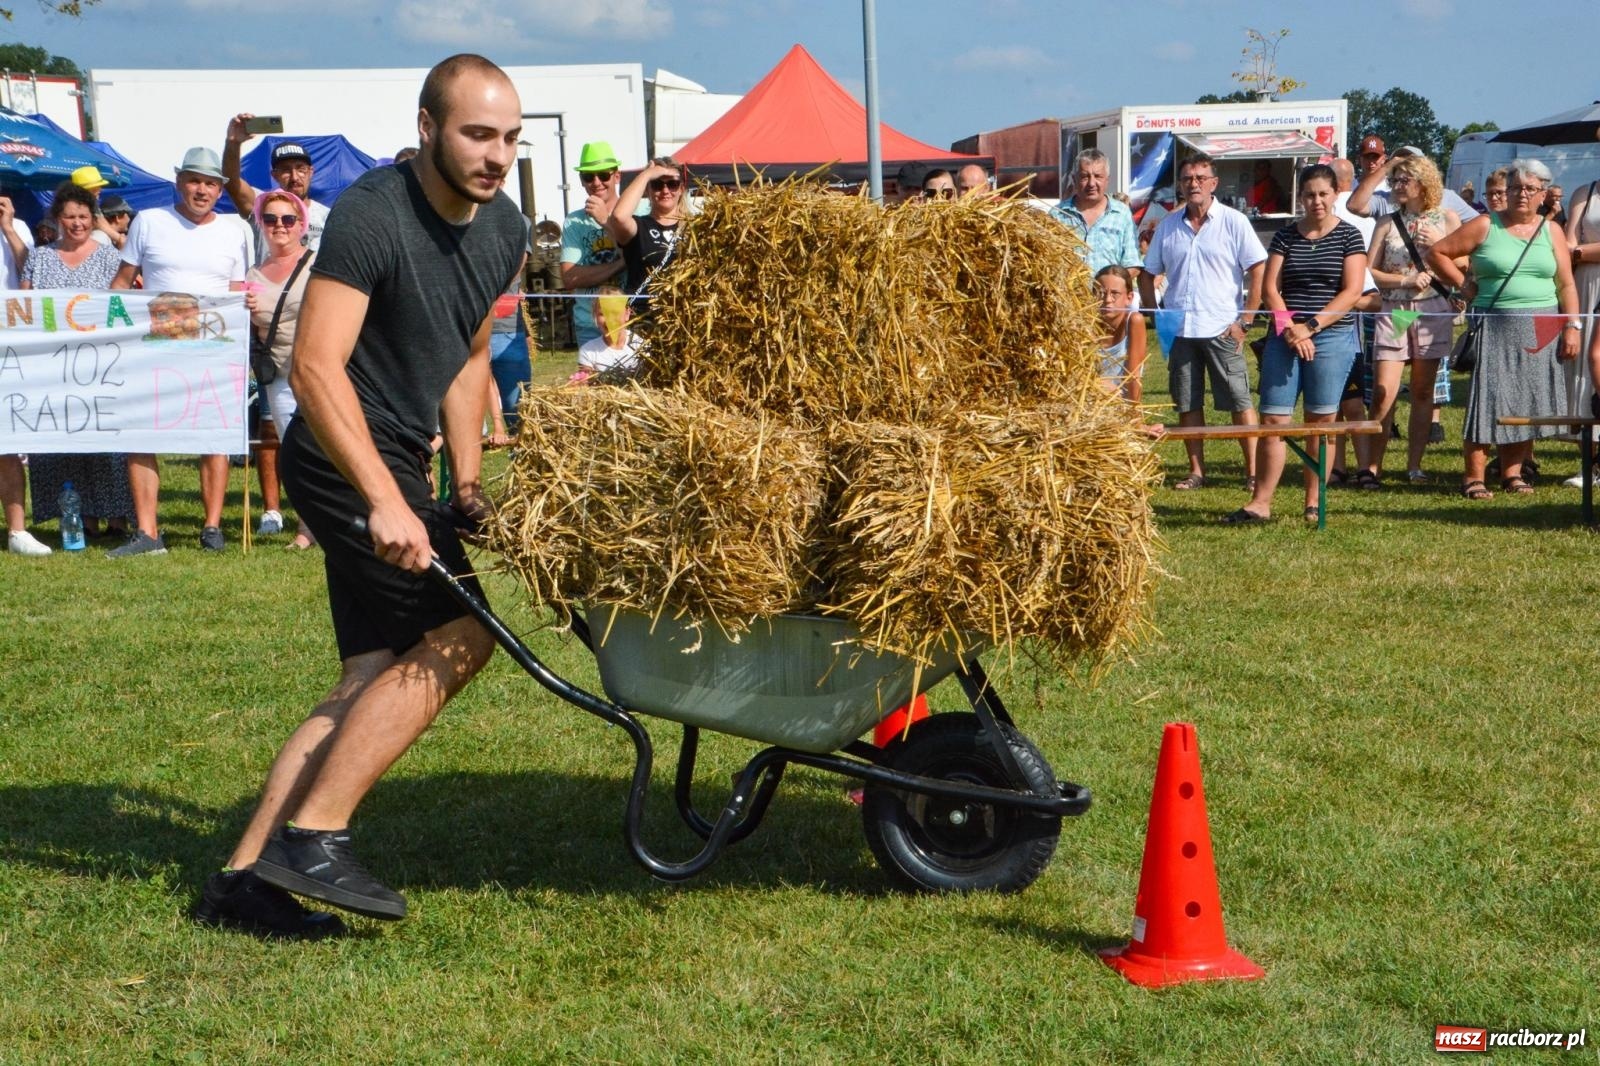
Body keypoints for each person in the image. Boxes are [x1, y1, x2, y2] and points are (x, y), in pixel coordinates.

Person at [191, 54, 526, 939]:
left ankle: (242, 886)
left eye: (509, 138)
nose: (496, 155)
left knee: (372, 672)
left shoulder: (504, 228)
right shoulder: (377, 213)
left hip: (401, 461)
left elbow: (463, 355)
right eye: (477, 134)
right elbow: (314, 365)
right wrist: (385, 499)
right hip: (341, 455)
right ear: (428, 129)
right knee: (461, 635)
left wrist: (463, 485)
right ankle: (316, 835)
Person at [110, 146, 253, 556]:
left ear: (220, 189)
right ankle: (148, 531)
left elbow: (237, 289)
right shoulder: (150, 222)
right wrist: (102, 320)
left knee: (215, 435)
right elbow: (123, 281)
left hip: (212, 347)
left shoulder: (233, 229)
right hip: (151, 345)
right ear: (179, 182)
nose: (202, 190)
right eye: (194, 180)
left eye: (210, 183)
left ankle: (211, 527)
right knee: (140, 433)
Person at [1427, 160, 1582, 499]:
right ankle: (1474, 477)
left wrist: (1572, 325)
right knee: (1489, 397)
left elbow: (1566, 284)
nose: (1521, 194)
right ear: (1506, 192)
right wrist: (1463, 285)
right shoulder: (1486, 225)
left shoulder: (1552, 231)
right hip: (1495, 323)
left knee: (1526, 399)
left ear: (1543, 193)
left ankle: (1513, 473)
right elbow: (1437, 252)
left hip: (1543, 325)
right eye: (1515, 188)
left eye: (1529, 188)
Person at [1225, 164, 1366, 523]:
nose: (1316, 201)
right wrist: (1290, 329)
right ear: (1300, 198)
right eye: (1309, 195)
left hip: (1332, 335)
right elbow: (1271, 288)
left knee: (1320, 421)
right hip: (1284, 335)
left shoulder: (1349, 237)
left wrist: (1312, 327)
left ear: (1335, 195)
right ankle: (1260, 503)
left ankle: (1313, 501)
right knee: (1274, 419)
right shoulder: (1285, 236)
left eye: (1323, 194)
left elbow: (1351, 292)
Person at [1140, 153, 1266, 490]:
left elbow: (1258, 269)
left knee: (1239, 400)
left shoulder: (1234, 222)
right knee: (1187, 402)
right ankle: (1196, 471)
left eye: (1200, 178)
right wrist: (1156, 316)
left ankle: (1253, 472)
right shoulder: (1167, 226)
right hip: (1180, 331)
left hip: (1223, 328)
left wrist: (1246, 320)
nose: (1193, 184)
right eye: (1187, 179)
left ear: (1213, 183)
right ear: (1180, 185)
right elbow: (1146, 274)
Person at [20, 183, 134, 544]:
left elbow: (124, 304)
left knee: (108, 439)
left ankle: (117, 517)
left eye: (83, 216)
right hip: (52, 366)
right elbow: (23, 308)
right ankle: (81, 516)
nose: (77, 223)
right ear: (57, 219)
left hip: (101, 364)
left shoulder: (109, 257)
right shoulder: (39, 257)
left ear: (92, 219)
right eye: (69, 216)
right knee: (65, 439)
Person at [1361, 154, 1461, 485]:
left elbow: (1465, 265)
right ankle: (1372, 467)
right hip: (1397, 310)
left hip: (1432, 309)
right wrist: (1402, 280)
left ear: (1423, 183)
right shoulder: (1387, 222)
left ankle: (1414, 466)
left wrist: (1438, 247)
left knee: (1422, 390)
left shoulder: (1446, 219)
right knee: (1382, 390)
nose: (1397, 186)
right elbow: (1370, 269)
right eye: (1395, 180)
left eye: (1404, 180)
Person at [245, 187, 318, 550]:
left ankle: (342, 520)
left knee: (329, 448)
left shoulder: (320, 264)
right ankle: (308, 528)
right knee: (295, 452)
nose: (279, 226)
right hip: (279, 377)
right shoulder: (252, 274)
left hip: (322, 372)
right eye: (270, 219)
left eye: (288, 219)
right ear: (261, 223)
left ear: (301, 224)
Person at [0, 190, 46, 555]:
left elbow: (29, 271)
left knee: (9, 440)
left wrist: (9, 228)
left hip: (9, 343)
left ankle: (17, 530)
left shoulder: (17, 228)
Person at [222, 119, 333, 254]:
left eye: (301, 169)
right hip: (267, 275)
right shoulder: (262, 204)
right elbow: (230, 181)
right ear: (274, 175)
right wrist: (233, 143)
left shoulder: (328, 216)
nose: (294, 177)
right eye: (286, 170)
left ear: (311, 172)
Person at [561, 141, 628, 349]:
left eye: (603, 175)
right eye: (588, 176)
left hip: (629, 320)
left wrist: (605, 222)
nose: (596, 182)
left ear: (617, 176)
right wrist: (620, 264)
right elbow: (570, 278)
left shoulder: (637, 211)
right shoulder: (574, 221)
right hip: (590, 324)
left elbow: (642, 261)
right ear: (581, 181)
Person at [607, 157, 687, 320]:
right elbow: (618, 217)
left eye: (672, 184)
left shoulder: (695, 227)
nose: (665, 191)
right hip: (642, 320)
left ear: (681, 189)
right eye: (657, 184)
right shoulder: (639, 225)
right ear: (647, 190)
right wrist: (646, 175)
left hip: (684, 320)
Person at [1051, 149, 1142, 278]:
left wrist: (1110, 287)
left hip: (1108, 298)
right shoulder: (1057, 215)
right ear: (1074, 179)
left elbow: (1133, 264)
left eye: (1098, 176)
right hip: (1068, 296)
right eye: (1084, 177)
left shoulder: (1122, 214)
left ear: (1107, 180)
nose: (1091, 183)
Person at [1563, 174, 1600, 484]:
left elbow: (1573, 249)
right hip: (1585, 285)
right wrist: (1578, 253)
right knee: (1584, 365)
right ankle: (1589, 462)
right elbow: (1567, 242)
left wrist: (1578, 251)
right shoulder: (1583, 192)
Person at [1094, 265, 1146, 402]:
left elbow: (1133, 376)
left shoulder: (1134, 321)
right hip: (1089, 402)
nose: (1107, 300)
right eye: (1100, 293)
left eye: (1114, 294)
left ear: (1129, 297)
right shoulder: (1086, 325)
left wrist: (1135, 419)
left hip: (1121, 405)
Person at [574, 284, 642, 381]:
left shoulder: (640, 345)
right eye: (603, 314)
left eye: (615, 313)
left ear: (627, 314)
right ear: (595, 316)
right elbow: (585, 383)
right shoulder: (588, 351)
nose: (610, 320)